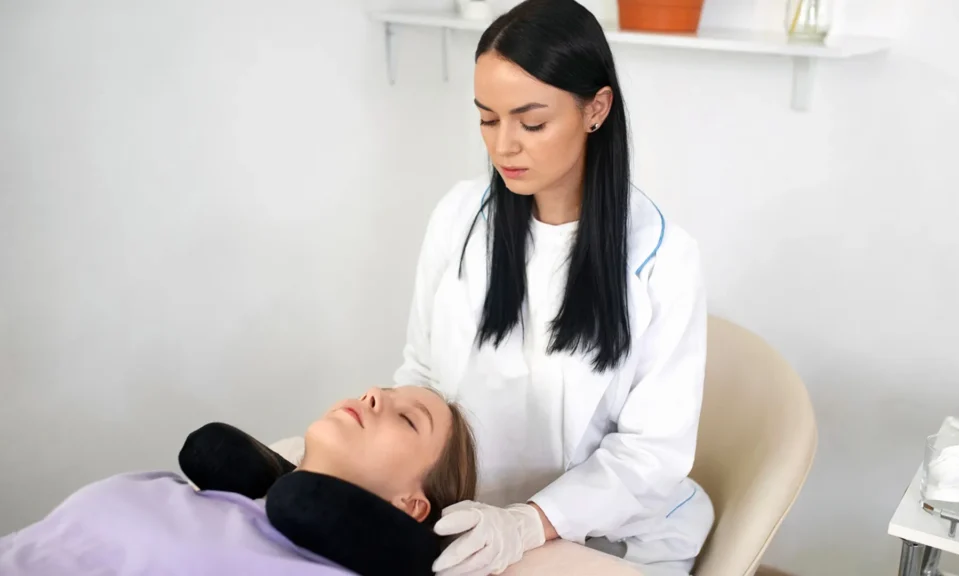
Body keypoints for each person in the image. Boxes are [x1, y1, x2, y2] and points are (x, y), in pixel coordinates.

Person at [394, 0, 714, 574]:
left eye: (531, 122)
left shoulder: (662, 260)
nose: (503, 146)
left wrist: (528, 521)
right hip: (466, 512)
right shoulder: (460, 218)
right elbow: (420, 373)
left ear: (596, 109)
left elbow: (650, 454)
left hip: (607, 534)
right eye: (487, 119)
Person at [0, 386, 478, 576]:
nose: (373, 394)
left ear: (411, 505)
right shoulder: (211, 497)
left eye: (408, 419)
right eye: (382, 390)